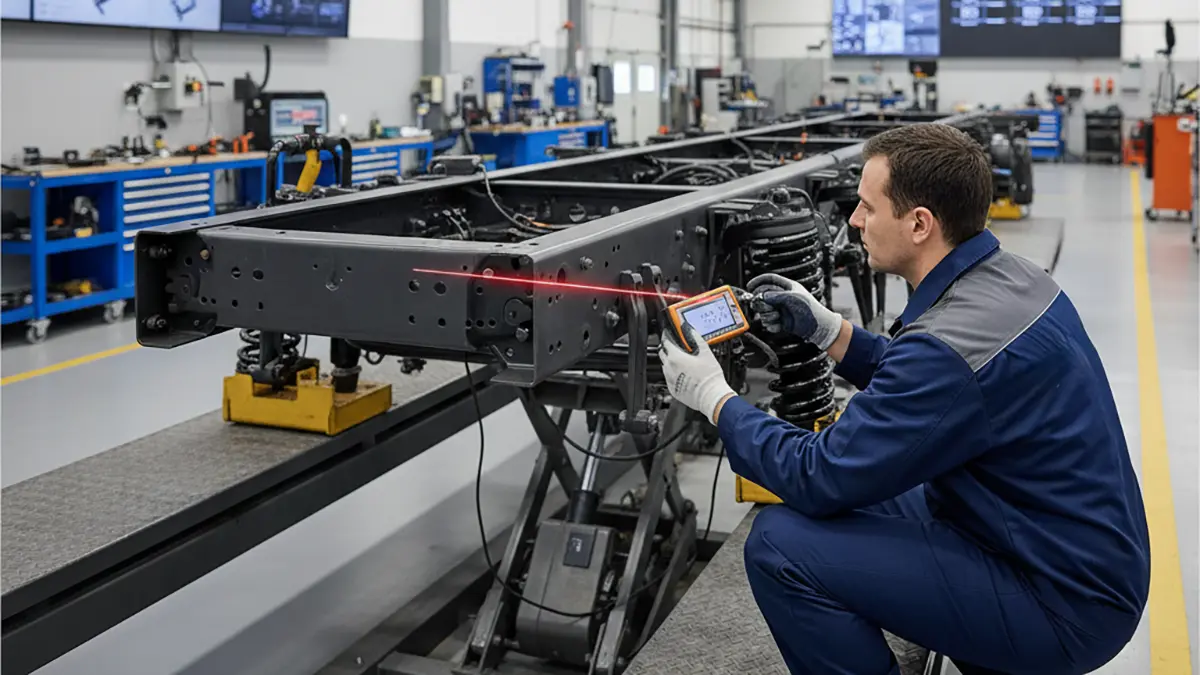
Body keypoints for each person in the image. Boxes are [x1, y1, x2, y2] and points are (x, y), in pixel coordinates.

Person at [658, 123, 1149, 675]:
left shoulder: (946, 349)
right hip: (1054, 544)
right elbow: (942, 390)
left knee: (781, 546)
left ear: (920, 224)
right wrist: (830, 332)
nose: (853, 221)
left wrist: (713, 397)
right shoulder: (1015, 278)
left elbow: (818, 474)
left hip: (1062, 605)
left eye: (868, 207)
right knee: (862, 492)